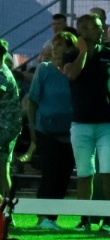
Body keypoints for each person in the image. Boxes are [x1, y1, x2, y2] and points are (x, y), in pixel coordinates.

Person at [65, 13, 110, 226]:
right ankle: (85, 219)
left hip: (107, 124)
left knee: (109, 172)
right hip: (81, 124)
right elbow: (72, 74)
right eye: (96, 27)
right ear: (83, 30)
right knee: (85, 174)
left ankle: (109, 218)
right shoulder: (71, 54)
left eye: (101, 27)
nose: (102, 31)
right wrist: (83, 51)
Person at [20, 33, 77, 229]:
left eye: (61, 45)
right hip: (47, 131)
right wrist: (32, 127)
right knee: (50, 174)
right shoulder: (43, 70)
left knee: (64, 175)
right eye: (55, 45)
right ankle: (42, 216)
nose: (57, 48)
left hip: (71, 133)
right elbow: (33, 101)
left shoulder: (76, 71)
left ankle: (52, 218)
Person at [0, 45, 19, 201]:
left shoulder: (2, 75)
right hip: (9, 127)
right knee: (2, 170)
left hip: (3, 127)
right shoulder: (4, 69)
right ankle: (7, 214)